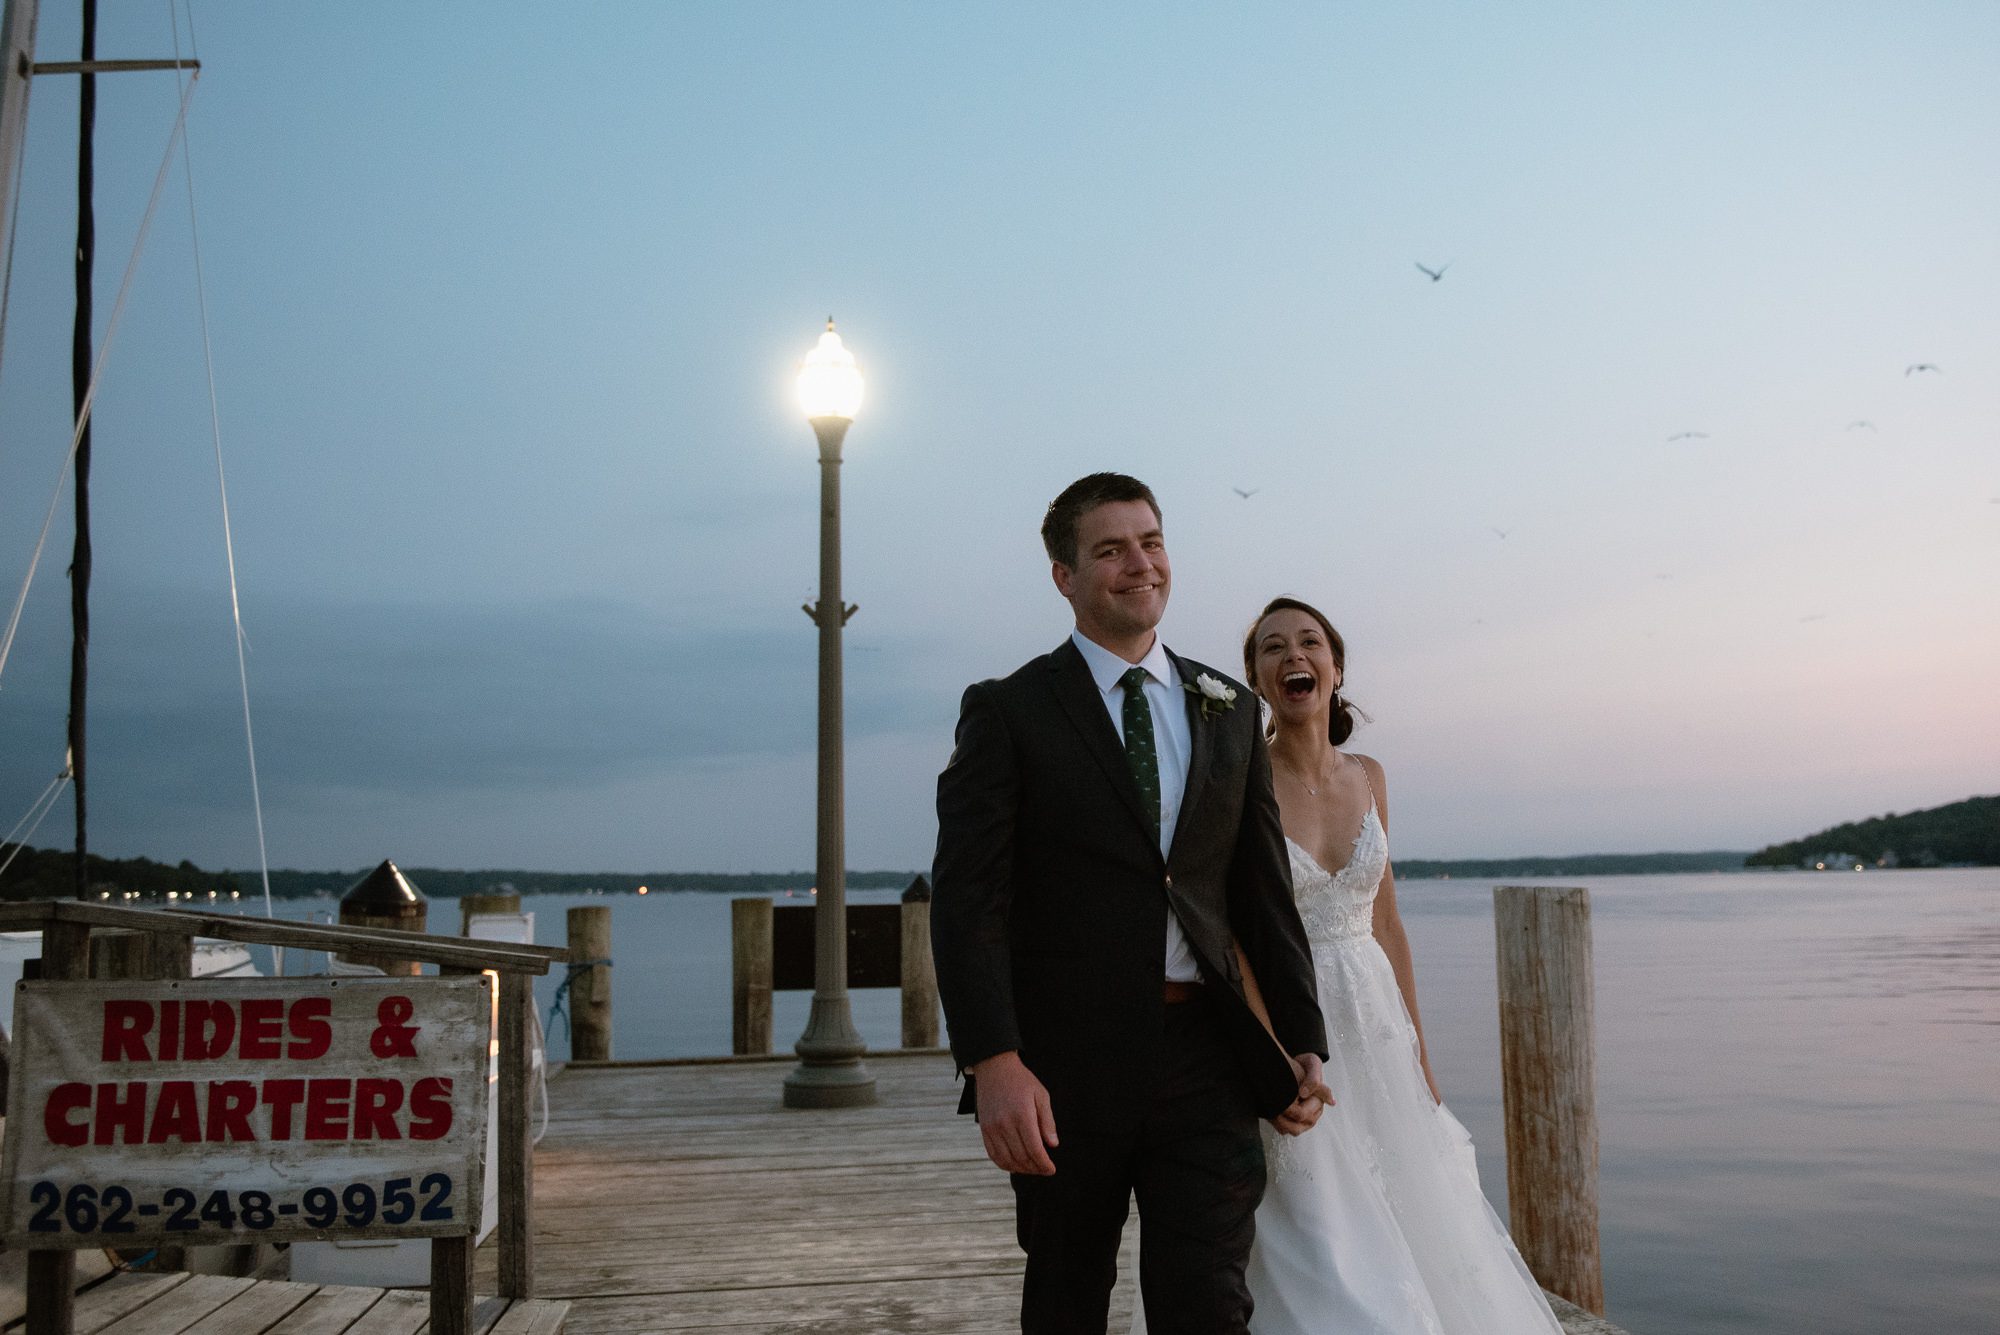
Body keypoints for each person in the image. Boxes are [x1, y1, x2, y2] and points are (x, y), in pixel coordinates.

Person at [931, 474, 1331, 1335]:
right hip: (1064, 1068)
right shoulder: (1009, 711)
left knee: (1210, 1303)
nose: (1139, 564)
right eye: (1109, 549)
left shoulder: (1229, 709)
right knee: (1067, 1298)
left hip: (1208, 1057)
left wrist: (1302, 1036)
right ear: (1064, 575)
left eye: (1150, 542)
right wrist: (993, 1060)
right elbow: (969, 901)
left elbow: (1262, 894)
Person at [1205, 596, 1565, 1335]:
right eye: (1273, 647)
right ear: (1256, 680)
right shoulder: (1241, 780)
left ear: (1336, 667)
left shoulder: (1370, 776)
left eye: (1310, 642)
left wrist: (1419, 1052)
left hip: (1376, 1022)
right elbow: (1233, 936)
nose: (1293, 655)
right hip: (1291, 1018)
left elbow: (1387, 922)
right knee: (1316, 1226)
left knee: (1416, 1210)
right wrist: (1268, 1055)